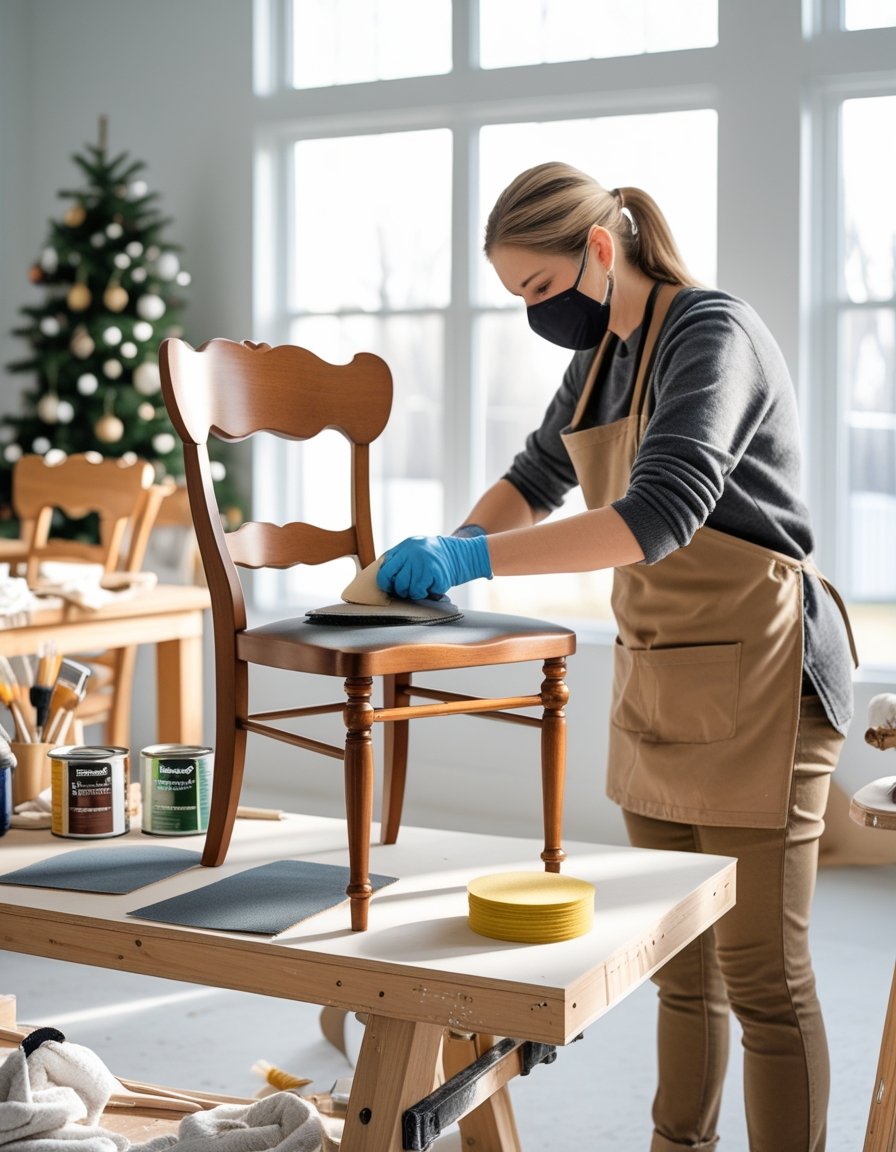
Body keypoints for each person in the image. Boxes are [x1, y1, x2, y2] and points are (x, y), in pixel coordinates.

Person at [376, 161, 857, 1151]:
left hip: (762, 674)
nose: (534, 314)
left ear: (600, 248)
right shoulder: (598, 357)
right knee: (680, 965)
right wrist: (446, 552)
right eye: (515, 298)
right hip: (660, 667)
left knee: (763, 976)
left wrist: (472, 558)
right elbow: (537, 474)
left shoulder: (708, 332)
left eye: (539, 289)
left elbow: (656, 516)